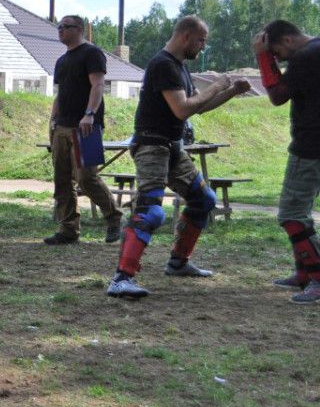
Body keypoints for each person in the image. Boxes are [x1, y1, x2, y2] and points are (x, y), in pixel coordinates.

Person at [107, 15, 250, 299]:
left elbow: (200, 106)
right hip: (151, 146)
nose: (203, 47)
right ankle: (121, 279)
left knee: (204, 199)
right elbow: (182, 109)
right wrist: (218, 85)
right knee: (151, 211)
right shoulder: (163, 65)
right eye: (201, 40)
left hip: (172, 146)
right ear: (185, 35)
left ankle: (178, 262)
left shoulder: (179, 67)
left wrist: (232, 91)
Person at [254, 20, 320, 303]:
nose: (278, 60)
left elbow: (277, 96)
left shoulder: (306, 56)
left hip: (310, 147)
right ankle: (304, 272)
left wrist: (262, 57)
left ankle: (317, 278)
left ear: (288, 40)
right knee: (300, 211)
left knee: (292, 213)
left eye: (277, 53)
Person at [45, 14, 124, 245]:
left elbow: (97, 85)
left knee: (86, 178)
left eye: (65, 27)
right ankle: (68, 229)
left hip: (85, 128)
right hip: (62, 126)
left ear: (79, 29)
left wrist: (89, 114)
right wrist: (52, 120)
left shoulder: (92, 54)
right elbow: (61, 94)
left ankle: (114, 217)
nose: (60, 30)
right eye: (58, 27)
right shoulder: (61, 61)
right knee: (62, 180)